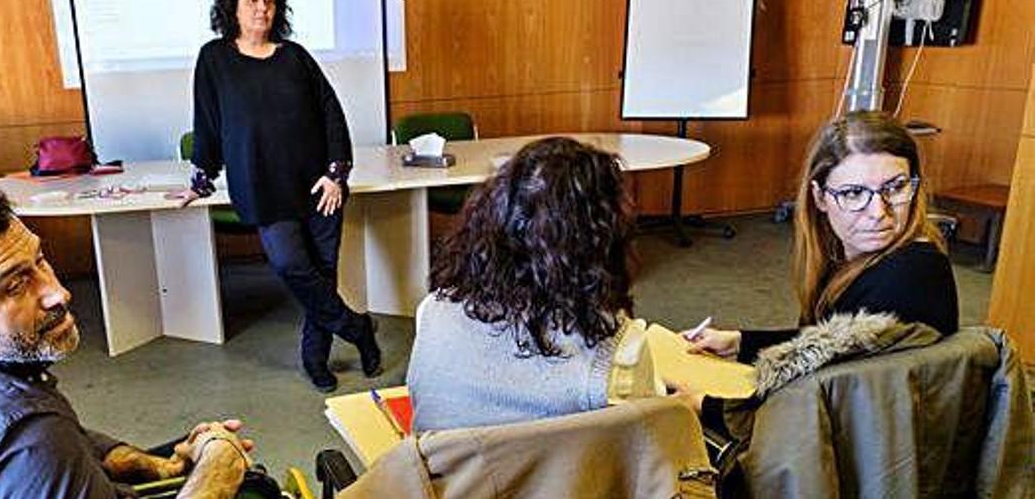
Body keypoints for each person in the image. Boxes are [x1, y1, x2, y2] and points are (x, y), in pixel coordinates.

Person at [0, 180, 252, 498]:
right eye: (16, 285)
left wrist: (135, 460)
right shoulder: (27, 438)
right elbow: (27, 448)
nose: (58, 293)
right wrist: (220, 466)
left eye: (40, 261)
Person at [175, 0, 380, 392]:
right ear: (231, 5)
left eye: (269, 0)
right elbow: (208, 123)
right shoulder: (214, 58)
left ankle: (314, 358)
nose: (262, 8)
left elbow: (330, 113)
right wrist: (200, 178)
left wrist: (336, 174)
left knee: (322, 274)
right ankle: (358, 328)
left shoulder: (295, 56)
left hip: (319, 187)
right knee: (291, 265)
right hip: (265, 190)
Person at [683, 112, 959, 413]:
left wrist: (708, 408)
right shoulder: (867, 259)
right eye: (854, 193)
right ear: (820, 197)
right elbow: (828, 344)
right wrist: (740, 343)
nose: (879, 211)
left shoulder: (908, 276)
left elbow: (824, 399)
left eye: (894, 188)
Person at [406, 137, 638, 431]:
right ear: (606, 241)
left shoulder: (433, 312)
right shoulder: (620, 352)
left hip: (442, 476)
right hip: (564, 477)